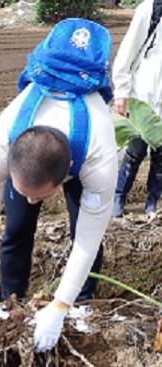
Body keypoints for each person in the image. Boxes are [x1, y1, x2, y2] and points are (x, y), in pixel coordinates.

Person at [0, 19, 118, 352]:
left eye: (40, 196)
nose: (32, 200)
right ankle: (12, 301)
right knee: (17, 227)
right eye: (24, 191)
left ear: (66, 173)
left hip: (80, 151)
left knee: (83, 224)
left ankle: (81, 302)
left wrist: (60, 306)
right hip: (33, 157)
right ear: (10, 166)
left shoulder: (99, 159)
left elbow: (88, 239)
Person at [111, 0, 162, 218]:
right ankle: (118, 197)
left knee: (161, 157)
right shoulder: (150, 9)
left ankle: (152, 202)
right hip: (145, 96)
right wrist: (121, 92)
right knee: (135, 151)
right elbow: (128, 50)